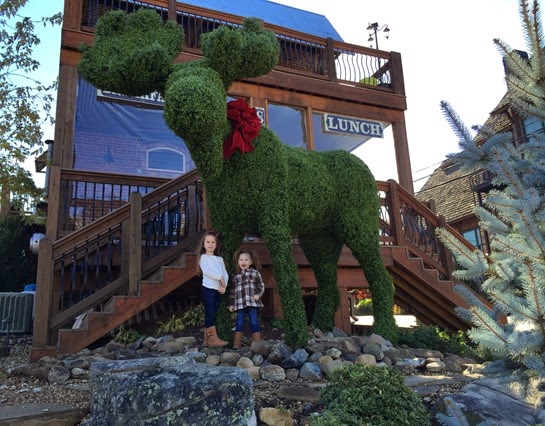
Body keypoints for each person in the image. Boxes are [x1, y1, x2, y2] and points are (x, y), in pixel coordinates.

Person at [227, 249, 265, 349]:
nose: (243, 262)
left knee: (254, 321)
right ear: (238, 262)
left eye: (246, 260)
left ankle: (258, 343)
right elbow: (232, 291)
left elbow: (261, 285)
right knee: (239, 322)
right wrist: (231, 304)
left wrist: (258, 294)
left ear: (250, 262)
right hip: (240, 303)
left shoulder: (255, 273)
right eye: (241, 260)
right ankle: (236, 343)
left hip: (252, 302)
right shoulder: (236, 276)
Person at [196, 231, 228, 347]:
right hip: (208, 289)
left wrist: (224, 285)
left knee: (213, 312)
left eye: (213, 242)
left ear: (216, 244)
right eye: (208, 242)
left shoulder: (219, 259)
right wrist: (220, 277)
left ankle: (207, 340)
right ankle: (213, 340)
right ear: (204, 245)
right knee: (210, 312)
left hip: (217, 289)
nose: (210, 244)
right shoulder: (203, 258)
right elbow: (207, 272)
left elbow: (224, 273)